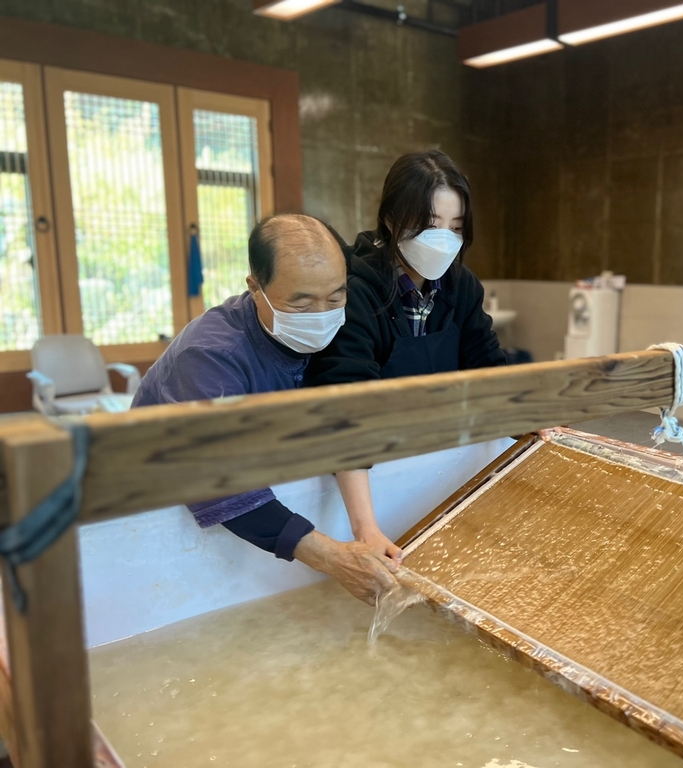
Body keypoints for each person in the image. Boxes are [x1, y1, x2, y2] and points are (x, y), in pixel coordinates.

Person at [132, 214, 398, 604]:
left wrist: (365, 530)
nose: (323, 315)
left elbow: (344, 420)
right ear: (256, 287)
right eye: (302, 303)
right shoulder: (210, 357)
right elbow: (221, 483)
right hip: (154, 520)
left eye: (336, 298)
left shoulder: (332, 340)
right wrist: (333, 557)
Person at [305, 150, 505, 563]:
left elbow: (490, 370)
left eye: (456, 228)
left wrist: (535, 417)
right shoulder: (356, 292)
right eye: (431, 226)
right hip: (371, 472)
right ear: (393, 220)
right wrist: (366, 530)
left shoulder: (460, 287)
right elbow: (347, 408)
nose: (444, 240)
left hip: (434, 459)